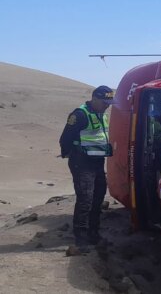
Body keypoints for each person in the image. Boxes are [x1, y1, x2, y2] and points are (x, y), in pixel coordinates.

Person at [59, 85, 115, 247]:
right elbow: (65, 139)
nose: (107, 105)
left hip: (97, 162)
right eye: (104, 102)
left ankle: (93, 233)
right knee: (85, 199)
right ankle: (81, 237)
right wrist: (71, 154)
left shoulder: (101, 114)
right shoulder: (80, 114)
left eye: (109, 102)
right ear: (94, 98)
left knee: (98, 197)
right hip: (82, 163)